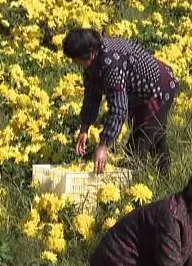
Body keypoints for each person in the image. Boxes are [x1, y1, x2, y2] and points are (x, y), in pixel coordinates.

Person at [63, 28, 178, 175]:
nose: (75, 63)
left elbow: (118, 109)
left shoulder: (111, 64)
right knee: (155, 138)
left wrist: (104, 146)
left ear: (90, 53)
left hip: (159, 89)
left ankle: (133, 186)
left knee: (137, 147)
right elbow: (92, 94)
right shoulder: (93, 59)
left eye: (76, 60)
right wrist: (85, 127)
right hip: (140, 92)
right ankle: (165, 179)